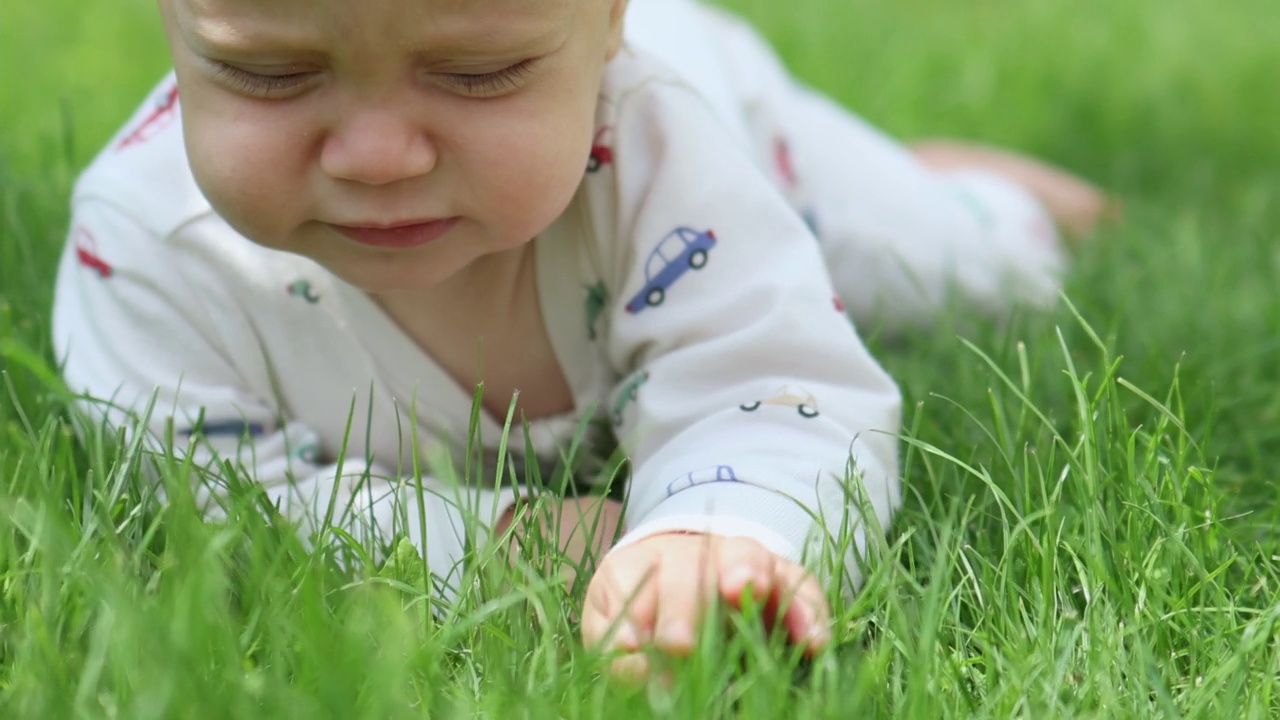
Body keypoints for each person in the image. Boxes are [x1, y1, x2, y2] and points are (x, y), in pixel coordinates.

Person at [52, 0, 1107, 681]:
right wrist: (508, 540)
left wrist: (710, 533)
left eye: (476, 72)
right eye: (270, 74)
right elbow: (197, 487)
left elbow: (772, 379)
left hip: (756, 144)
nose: (376, 154)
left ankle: (975, 194)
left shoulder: (659, 149)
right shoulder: (143, 250)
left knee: (961, 275)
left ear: (609, 20)